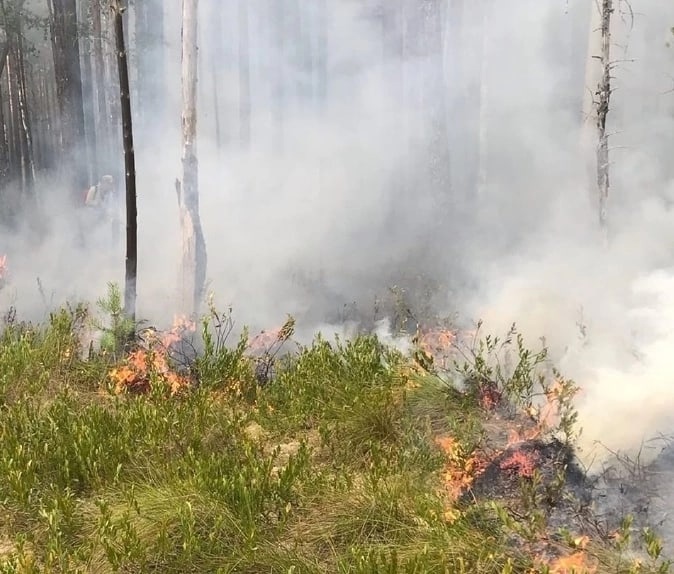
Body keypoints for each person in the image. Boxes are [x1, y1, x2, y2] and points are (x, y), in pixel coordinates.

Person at [83, 175, 122, 248]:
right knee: (92, 238)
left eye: (111, 184)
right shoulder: (94, 189)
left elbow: (111, 206)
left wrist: (112, 213)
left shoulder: (110, 193)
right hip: (92, 219)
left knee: (104, 238)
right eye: (108, 183)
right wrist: (97, 204)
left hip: (104, 220)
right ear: (103, 183)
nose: (110, 185)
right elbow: (87, 202)